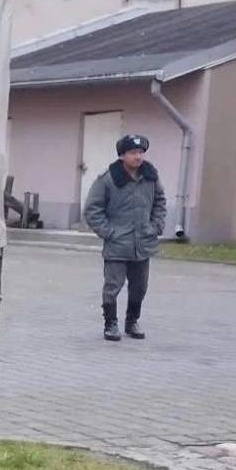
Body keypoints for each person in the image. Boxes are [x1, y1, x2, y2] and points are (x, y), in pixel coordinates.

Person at [83, 132, 166, 342]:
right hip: (117, 244)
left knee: (140, 287)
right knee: (113, 286)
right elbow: (92, 210)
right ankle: (110, 323)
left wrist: (156, 226)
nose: (138, 157)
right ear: (122, 155)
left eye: (141, 152)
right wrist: (109, 233)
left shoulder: (150, 177)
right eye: (133, 153)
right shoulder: (108, 180)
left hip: (143, 243)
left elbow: (160, 202)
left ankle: (132, 321)